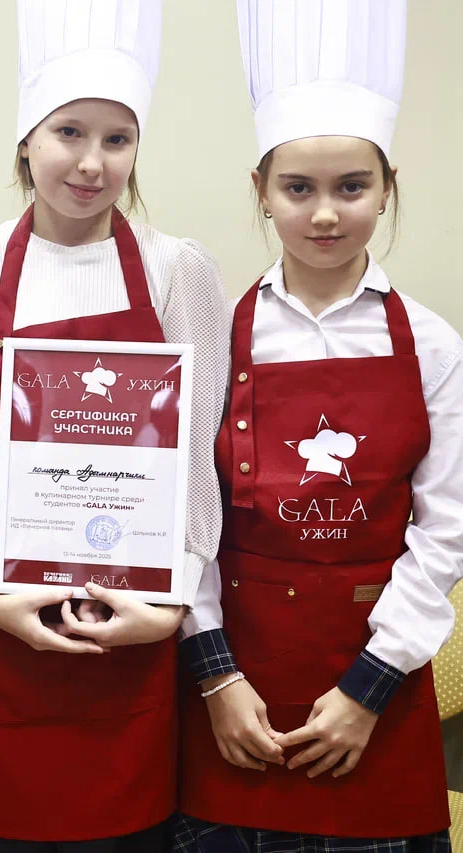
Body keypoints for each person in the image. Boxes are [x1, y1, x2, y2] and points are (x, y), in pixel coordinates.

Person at [0, 1, 229, 848]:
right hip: (4, 632)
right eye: (69, 133)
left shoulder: (176, 269)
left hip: (132, 637)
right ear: (26, 139)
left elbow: (197, 466)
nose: (92, 163)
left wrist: (171, 602)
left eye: (117, 139)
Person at [173, 2, 455, 850]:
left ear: (388, 186)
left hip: (377, 690)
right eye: (298, 188)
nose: (325, 213)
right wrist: (215, 676)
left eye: (351, 188)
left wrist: (369, 686)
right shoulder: (217, 338)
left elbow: (445, 530)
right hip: (236, 698)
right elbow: (186, 519)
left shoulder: (433, 344)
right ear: (261, 192)